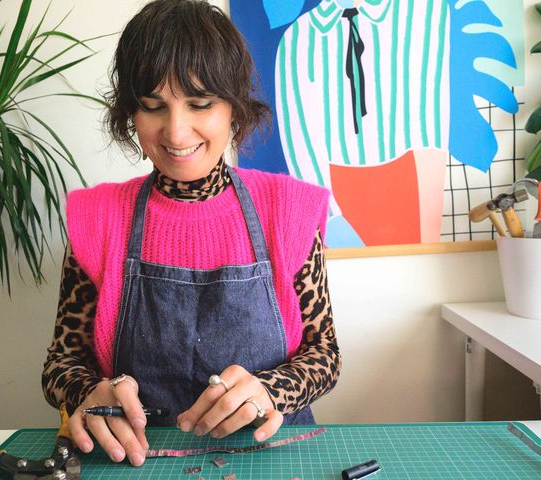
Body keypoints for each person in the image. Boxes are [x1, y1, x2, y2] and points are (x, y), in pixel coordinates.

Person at [42, 0, 340, 468]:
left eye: (200, 104)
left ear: (234, 108)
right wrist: (89, 392)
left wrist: (272, 389)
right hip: (135, 462)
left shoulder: (290, 210)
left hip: (271, 458)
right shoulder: (96, 218)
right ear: (132, 112)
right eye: (153, 106)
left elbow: (325, 353)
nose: (176, 132)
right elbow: (61, 362)